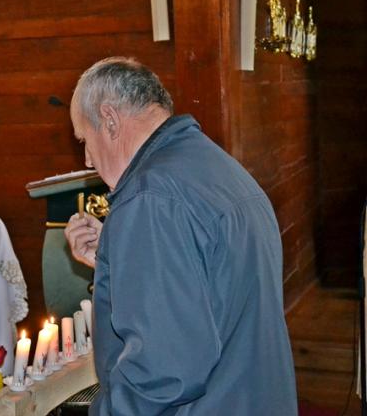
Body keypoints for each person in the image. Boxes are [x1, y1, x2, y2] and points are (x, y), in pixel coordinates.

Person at [64, 57, 297, 415]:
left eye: (85, 139)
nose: (87, 160)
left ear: (109, 120)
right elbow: (210, 289)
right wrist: (116, 256)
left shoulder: (150, 198)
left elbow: (162, 371)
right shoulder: (215, 165)